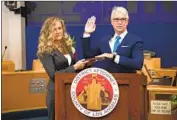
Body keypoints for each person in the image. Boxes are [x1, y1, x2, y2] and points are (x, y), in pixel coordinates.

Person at [37, 16, 88, 120]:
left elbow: (72, 68)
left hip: (70, 89)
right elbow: (54, 75)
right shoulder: (45, 51)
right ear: (48, 32)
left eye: (59, 28)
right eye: (54, 29)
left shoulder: (67, 47)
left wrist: (82, 65)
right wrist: (74, 67)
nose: (57, 31)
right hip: (56, 92)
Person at [81, 6, 144, 73]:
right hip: (107, 82)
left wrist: (114, 57)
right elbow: (88, 55)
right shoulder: (105, 40)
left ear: (127, 21)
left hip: (126, 81)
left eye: (123, 19)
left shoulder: (135, 41)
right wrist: (87, 33)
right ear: (111, 22)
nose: (119, 22)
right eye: (116, 19)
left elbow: (138, 64)